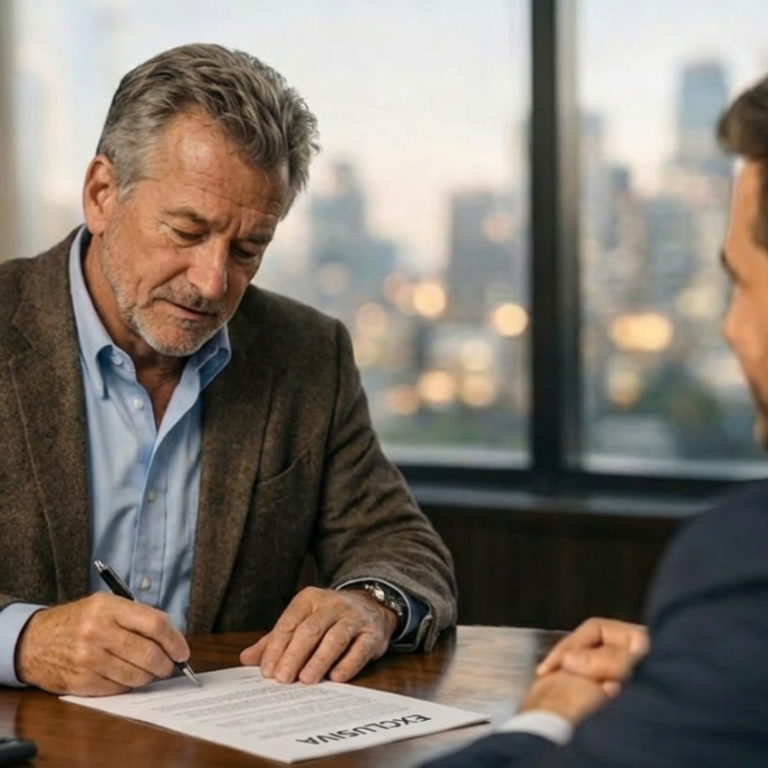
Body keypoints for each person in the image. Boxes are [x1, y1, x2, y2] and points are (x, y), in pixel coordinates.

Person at [0, 43, 457, 696]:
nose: (212, 283)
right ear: (102, 194)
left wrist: (368, 603)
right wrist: (23, 640)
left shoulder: (307, 354)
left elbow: (400, 543)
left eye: (248, 249)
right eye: (187, 232)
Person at [421, 73, 768, 768]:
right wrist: (699, 661)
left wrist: (545, 720)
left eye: (742, 283)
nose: (730, 328)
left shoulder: (743, 559)